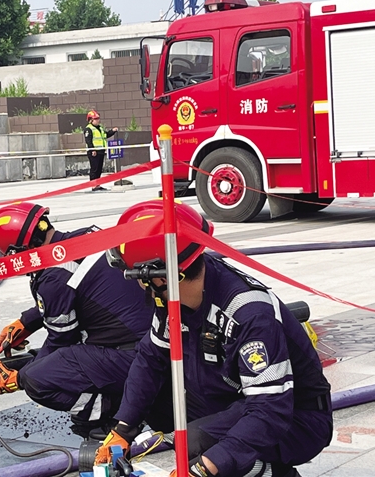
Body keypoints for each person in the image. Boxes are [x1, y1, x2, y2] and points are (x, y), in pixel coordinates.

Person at [95, 201, 333, 477]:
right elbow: (151, 360)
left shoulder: (249, 314)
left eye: (136, 275)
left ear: (161, 278)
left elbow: (269, 410)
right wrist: (123, 429)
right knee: (161, 404)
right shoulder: (175, 297)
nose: (137, 284)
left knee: (198, 442)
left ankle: (276, 473)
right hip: (236, 397)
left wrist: (204, 468)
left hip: (295, 416)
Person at [0, 202, 154, 438]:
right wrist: (26, 322)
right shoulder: (87, 236)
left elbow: (61, 341)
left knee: (37, 380)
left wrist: (18, 378)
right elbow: (76, 291)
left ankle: (113, 411)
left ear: (22, 250)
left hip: (131, 358)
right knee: (49, 362)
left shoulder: (52, 277)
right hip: (156, 342)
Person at [84, 110, 118, 191]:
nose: (98, 120)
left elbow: (106, 135)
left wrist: (112, 131)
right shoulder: (89, 129)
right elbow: (88, 141)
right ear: (91, 120)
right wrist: (93, 150)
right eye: (96, 119)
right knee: (94, 169)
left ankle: (98, 184)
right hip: (94, 152)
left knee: (99, 169)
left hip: (101, 151)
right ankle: (93, 185)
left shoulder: (100, 128)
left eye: (98, 118)